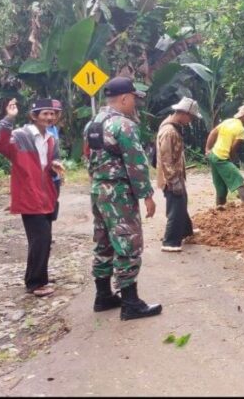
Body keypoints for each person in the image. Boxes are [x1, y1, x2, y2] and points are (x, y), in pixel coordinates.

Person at [84, 76, 161, 320]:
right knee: (128, 243)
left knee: (104, 241)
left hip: (98, 190)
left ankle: (103, 295)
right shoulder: (123, 125)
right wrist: (147, 195)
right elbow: (136, 164)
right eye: (134, 100)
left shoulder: (92, 125)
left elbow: (88, 160)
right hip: (118, 193)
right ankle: (130, 303)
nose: (135, 105)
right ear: (125, 98)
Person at [0, 98, 64, 297]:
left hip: (47, 194)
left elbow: (51, 161)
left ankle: (38, 276)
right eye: (45, 114)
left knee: (44, 240)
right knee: (40, 240)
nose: (50, 117)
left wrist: (54, 166)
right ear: (34, 116)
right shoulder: (20, 135)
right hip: (29, 195)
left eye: (52, 114)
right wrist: (8, 118)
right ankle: (35, 283)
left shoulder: (51, 138)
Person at [156, 96, 202, 252]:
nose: (191, 121)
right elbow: (166, 158)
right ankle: (170, 242)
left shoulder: (171, 125)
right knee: (176, 207)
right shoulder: (169, 131)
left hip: (175, 174)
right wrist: (173, 181)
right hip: (171, 176)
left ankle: (185, 231)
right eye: (191, 117)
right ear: (184, 113)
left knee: (181, 202)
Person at [204, 104, 244, 209]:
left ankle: (219, 209)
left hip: (213, 155)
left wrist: (207, 149)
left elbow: (213, 132)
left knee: (220, 187)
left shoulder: (227, 121)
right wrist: (231, 161)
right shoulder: (241, 130)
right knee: (238, 180)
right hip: (222, 158)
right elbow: (233, 149)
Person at [45, 99, 63, 220]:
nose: (54, 116)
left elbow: (55, 153)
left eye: (56, 113)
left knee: (52, 206)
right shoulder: (40, 130)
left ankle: (47, 236)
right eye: (51, 113)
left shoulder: (54, 129)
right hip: (45, 177)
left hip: (55, 176)